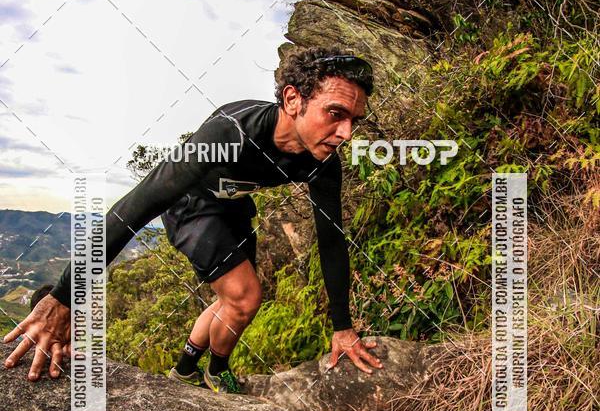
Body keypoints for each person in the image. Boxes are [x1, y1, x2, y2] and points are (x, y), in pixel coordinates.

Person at [3, 47, 383, 392]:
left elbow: (331, 239)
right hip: (191, 207)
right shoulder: (228, 134)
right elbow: (135, 208)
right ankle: (216, 372)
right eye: (335, 114)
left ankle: (185, 369)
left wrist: (343, 328)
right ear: (292, 99)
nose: (346, 133)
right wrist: (63, 298)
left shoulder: (322, 162)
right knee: (246, 297)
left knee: (230, 299)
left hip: (233, 205)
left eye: (355, 120)